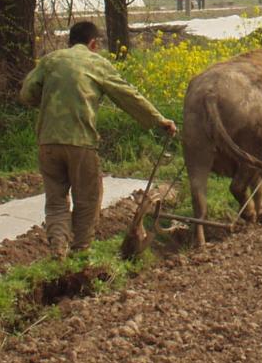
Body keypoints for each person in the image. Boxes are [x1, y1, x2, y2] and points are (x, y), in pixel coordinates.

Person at [20, 21, 177, 257]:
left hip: (48, 143)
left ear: (70, 41)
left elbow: (27, 92)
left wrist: (46, 102)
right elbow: (127, 95)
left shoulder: (51, 60)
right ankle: (80, 251)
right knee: (88, 199)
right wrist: (159, 120)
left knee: (55, 201)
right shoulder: (96, 63)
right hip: (81, 142)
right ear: (93, 43)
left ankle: (58, 248)